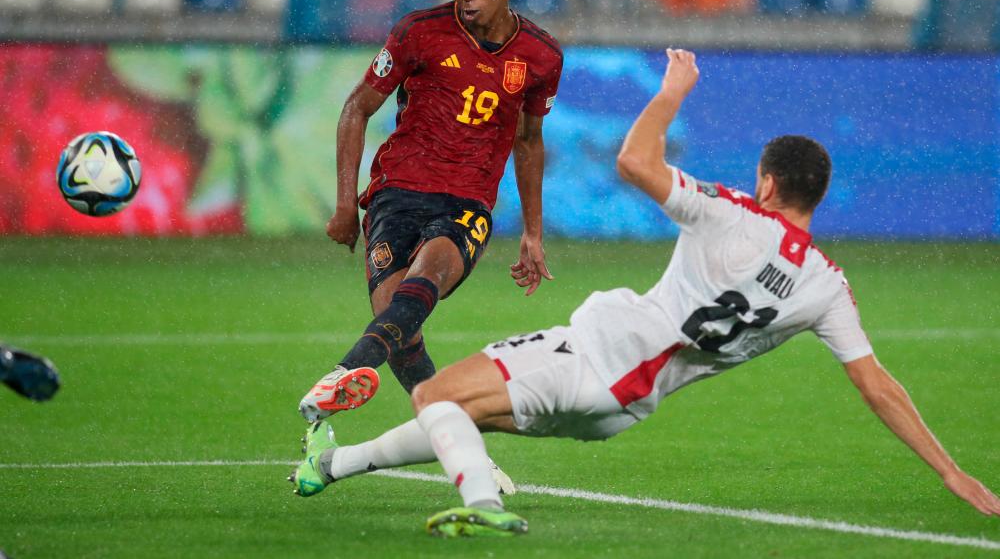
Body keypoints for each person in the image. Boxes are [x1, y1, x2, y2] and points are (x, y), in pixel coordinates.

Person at [288, 49, 1000, 537]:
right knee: (460, 415)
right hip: (626, 409)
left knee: (435, 395)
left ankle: (480, 504)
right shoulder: (827, 286)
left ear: (769, 186)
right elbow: (878, 386)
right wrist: (951, 470)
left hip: (596, 351)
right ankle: (331, 465)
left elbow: (634, 160)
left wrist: (671, 93)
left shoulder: (733, 211)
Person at [298, 0, 563, 428]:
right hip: (396, 192)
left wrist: (533, 231)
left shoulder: (541, 55)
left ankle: (344, 373)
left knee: (426, 278)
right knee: (401, 327)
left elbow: (529, 141)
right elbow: (356, 109)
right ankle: (457, 439)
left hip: (466, 202)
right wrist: (342, 205)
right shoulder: (418, 32)